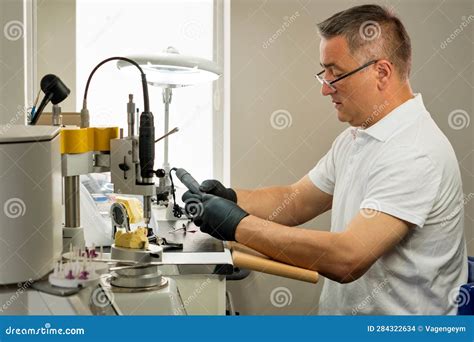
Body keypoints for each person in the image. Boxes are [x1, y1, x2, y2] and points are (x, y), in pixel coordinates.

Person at [182, 4, 467, 315]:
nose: (325, 88)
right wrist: (230, 198)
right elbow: (295, 201)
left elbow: (349, 258)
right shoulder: (358, 136)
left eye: (337, 73)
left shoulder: (414, 150)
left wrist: (237, 224)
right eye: (324, 72)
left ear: (382, 72)